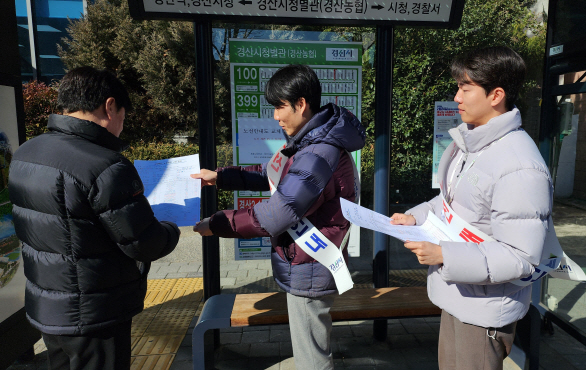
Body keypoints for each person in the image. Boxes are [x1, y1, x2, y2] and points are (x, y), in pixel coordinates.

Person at [390, 46, 556, 370]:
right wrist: (416, 216)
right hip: (457, 294)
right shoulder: (471, 145)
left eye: (465, 88)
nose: (457, 97)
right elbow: (452, 201)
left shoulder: (520, 166)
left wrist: (444, 256)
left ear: (496, 95)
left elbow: (521, 257)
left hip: (485, 311)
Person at [191, 64, 365, 370]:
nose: (275, 116)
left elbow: (275, 214)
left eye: (279, 107)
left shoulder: (316, 153)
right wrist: (221, 176)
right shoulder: (309, 144)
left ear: (301, 104)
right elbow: (270, 174)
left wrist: (216, 224)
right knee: (310, 349)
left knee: (312, 358)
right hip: (308, 263)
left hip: (310, 267)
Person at [8, 66, 180, 370]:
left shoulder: (26, 153)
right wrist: (170, 228)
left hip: (48, 309)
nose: (121, 128)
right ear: (110, 106)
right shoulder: (104, 165)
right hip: (95, 313)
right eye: (123, 119)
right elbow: (144, 244)